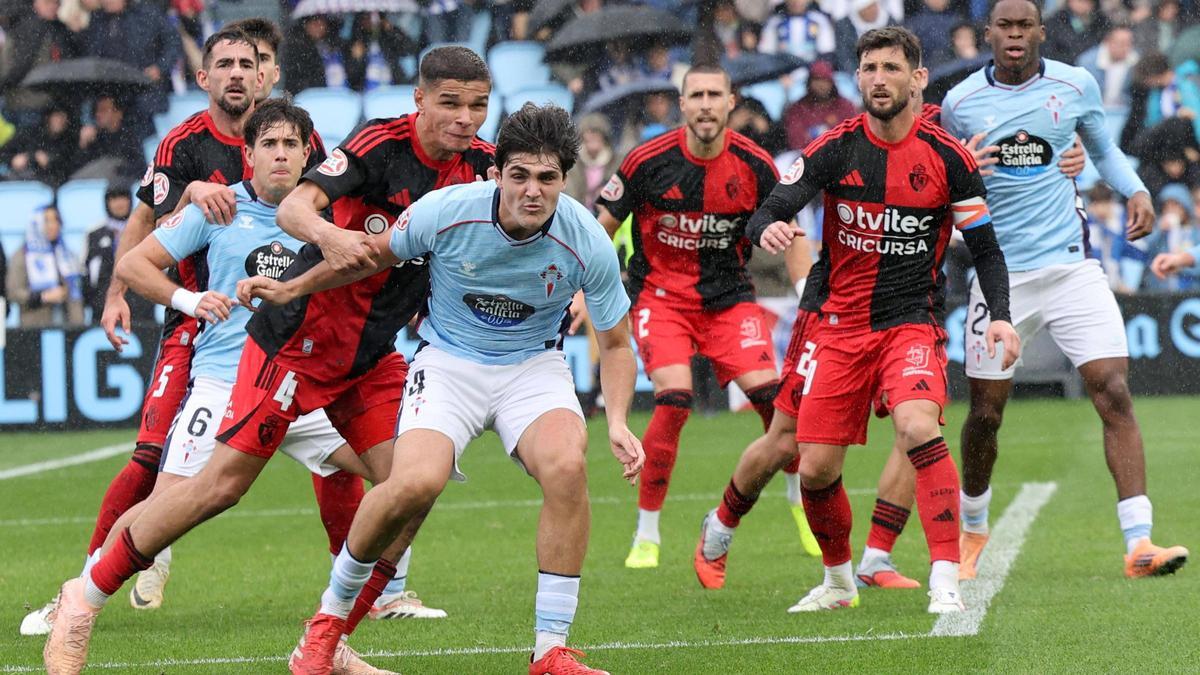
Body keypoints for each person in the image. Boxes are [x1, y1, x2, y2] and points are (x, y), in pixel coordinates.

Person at [39, 45, 497, 673]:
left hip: (368, 358)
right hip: (287, 348)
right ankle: (82, 598)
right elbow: (292, 210)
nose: (466, 118)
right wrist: (330, 238)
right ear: (419, 100)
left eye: (478, 105)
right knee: (214, 490)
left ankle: (325, 641)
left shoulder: (488, 171)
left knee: (413, 488)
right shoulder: (368, 148)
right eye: (451, 103)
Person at [262, 101, 643, 675]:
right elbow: (367, 259)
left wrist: (616, 421)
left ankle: (550, 652)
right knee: (414, 481)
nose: (532, 191)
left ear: (566, 180)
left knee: (568, 468)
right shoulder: (444, 210)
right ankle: (324, 629)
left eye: (546, 178)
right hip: (447, 363)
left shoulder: (586, 239)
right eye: (519, 175)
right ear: (497, 173)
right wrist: (295, 288)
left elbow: (615, 345)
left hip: (531, 369)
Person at [705, 26, 1020, 615]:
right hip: (838, 325)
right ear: (859, 78)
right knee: (816, 466)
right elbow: (770, 208)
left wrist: (999, 317)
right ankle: (839, 581)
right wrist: (767, 227)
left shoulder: (950, 160)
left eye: (892, 68)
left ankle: (945, 576)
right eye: (870, 68)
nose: (880, 78)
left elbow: (987, 250)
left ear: (917, 79)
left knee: (919, 427)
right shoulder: (836, 148)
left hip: (909, 322)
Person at [942, 0, 1187, 581]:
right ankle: (973, 528)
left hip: (1073, 267)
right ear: (990, 34)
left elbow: (1101, 150)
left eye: (1025, 25)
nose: (1016, 35)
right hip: (1000, 275)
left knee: (1114, 391)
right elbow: (948, 174)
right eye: (1005, 26)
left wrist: (1135, 191)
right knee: (985, 416)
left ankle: (1139, 542)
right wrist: (966, 165)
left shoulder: (1075, 84)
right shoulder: (960, 103)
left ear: (1041, 32)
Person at [590, 64, 813, 570]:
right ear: (682, 103)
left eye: (716, 94)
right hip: (661, 299)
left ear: (731, 102)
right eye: (698, 95)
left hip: (730, 301)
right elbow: (597, 229)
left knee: (777, 407)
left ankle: (800, 503)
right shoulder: (648, 161)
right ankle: (646, 532)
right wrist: (581, 287)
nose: (707, 104)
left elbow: (794, 236)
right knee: (673, 399)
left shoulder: (756, 166)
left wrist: (806, 299)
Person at [80, 185, 154, 322]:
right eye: (114, 198)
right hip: (102, 310)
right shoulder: (94, 234)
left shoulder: (146, 230)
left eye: (123, 197)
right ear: (107, 203)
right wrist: (94, 302)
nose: (119, 203)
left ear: (130, 200)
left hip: (142, 309)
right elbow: (86, 273)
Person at [5, 205, 84, 327]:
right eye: (46, 220)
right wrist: (43, 297)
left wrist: (79, 327)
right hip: (34, 328)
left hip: (67, 327)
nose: (52, 226)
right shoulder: (23, 254)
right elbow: (13, 292)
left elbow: (76, 294)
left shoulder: (67, 255)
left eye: (55, 220)